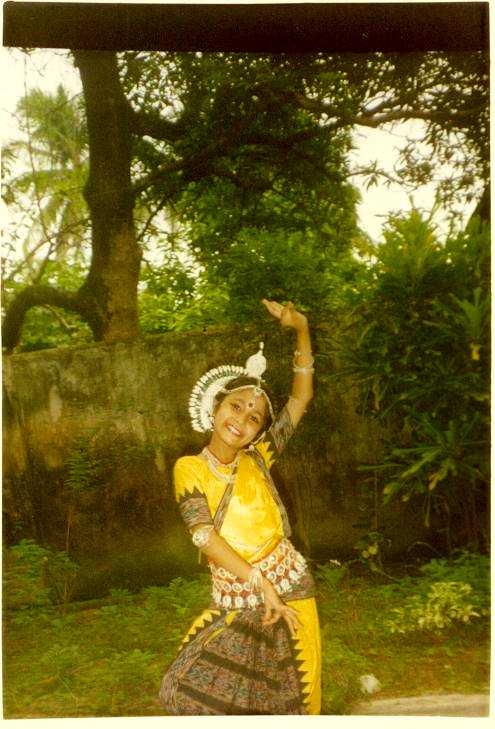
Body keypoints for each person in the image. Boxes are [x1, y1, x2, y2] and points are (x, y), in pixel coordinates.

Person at [159, 299, 321, 715]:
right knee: (194, 694)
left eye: (254, 417)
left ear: (256, 434)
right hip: (237, 595)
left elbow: (300, 400)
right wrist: (258, 583)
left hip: (290, 587)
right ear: (215, 408)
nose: (243, 419)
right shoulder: (190, 468)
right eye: (237, 406)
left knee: (298, 697)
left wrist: (301, 329)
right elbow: (203, 535)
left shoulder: (260, 458)